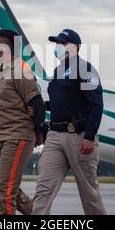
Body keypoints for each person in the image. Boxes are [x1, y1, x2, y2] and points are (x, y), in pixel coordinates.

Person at [32, 29, 106, 215]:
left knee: (89, 194)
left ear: (76, 47)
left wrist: (89, 137)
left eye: (63, 43)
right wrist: (41, 107)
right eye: (57, 43)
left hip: (78, 136)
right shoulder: (57, 71)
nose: (58, 47)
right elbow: (62, 102)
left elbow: (96, 105)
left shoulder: (86, 69)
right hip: (55, 135)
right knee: (44, 189)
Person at [0, 29, 45, 215]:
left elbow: (37, 105)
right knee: (1, 187)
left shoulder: (21, 71)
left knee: (5, 191)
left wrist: (38, 132)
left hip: (17, 136)